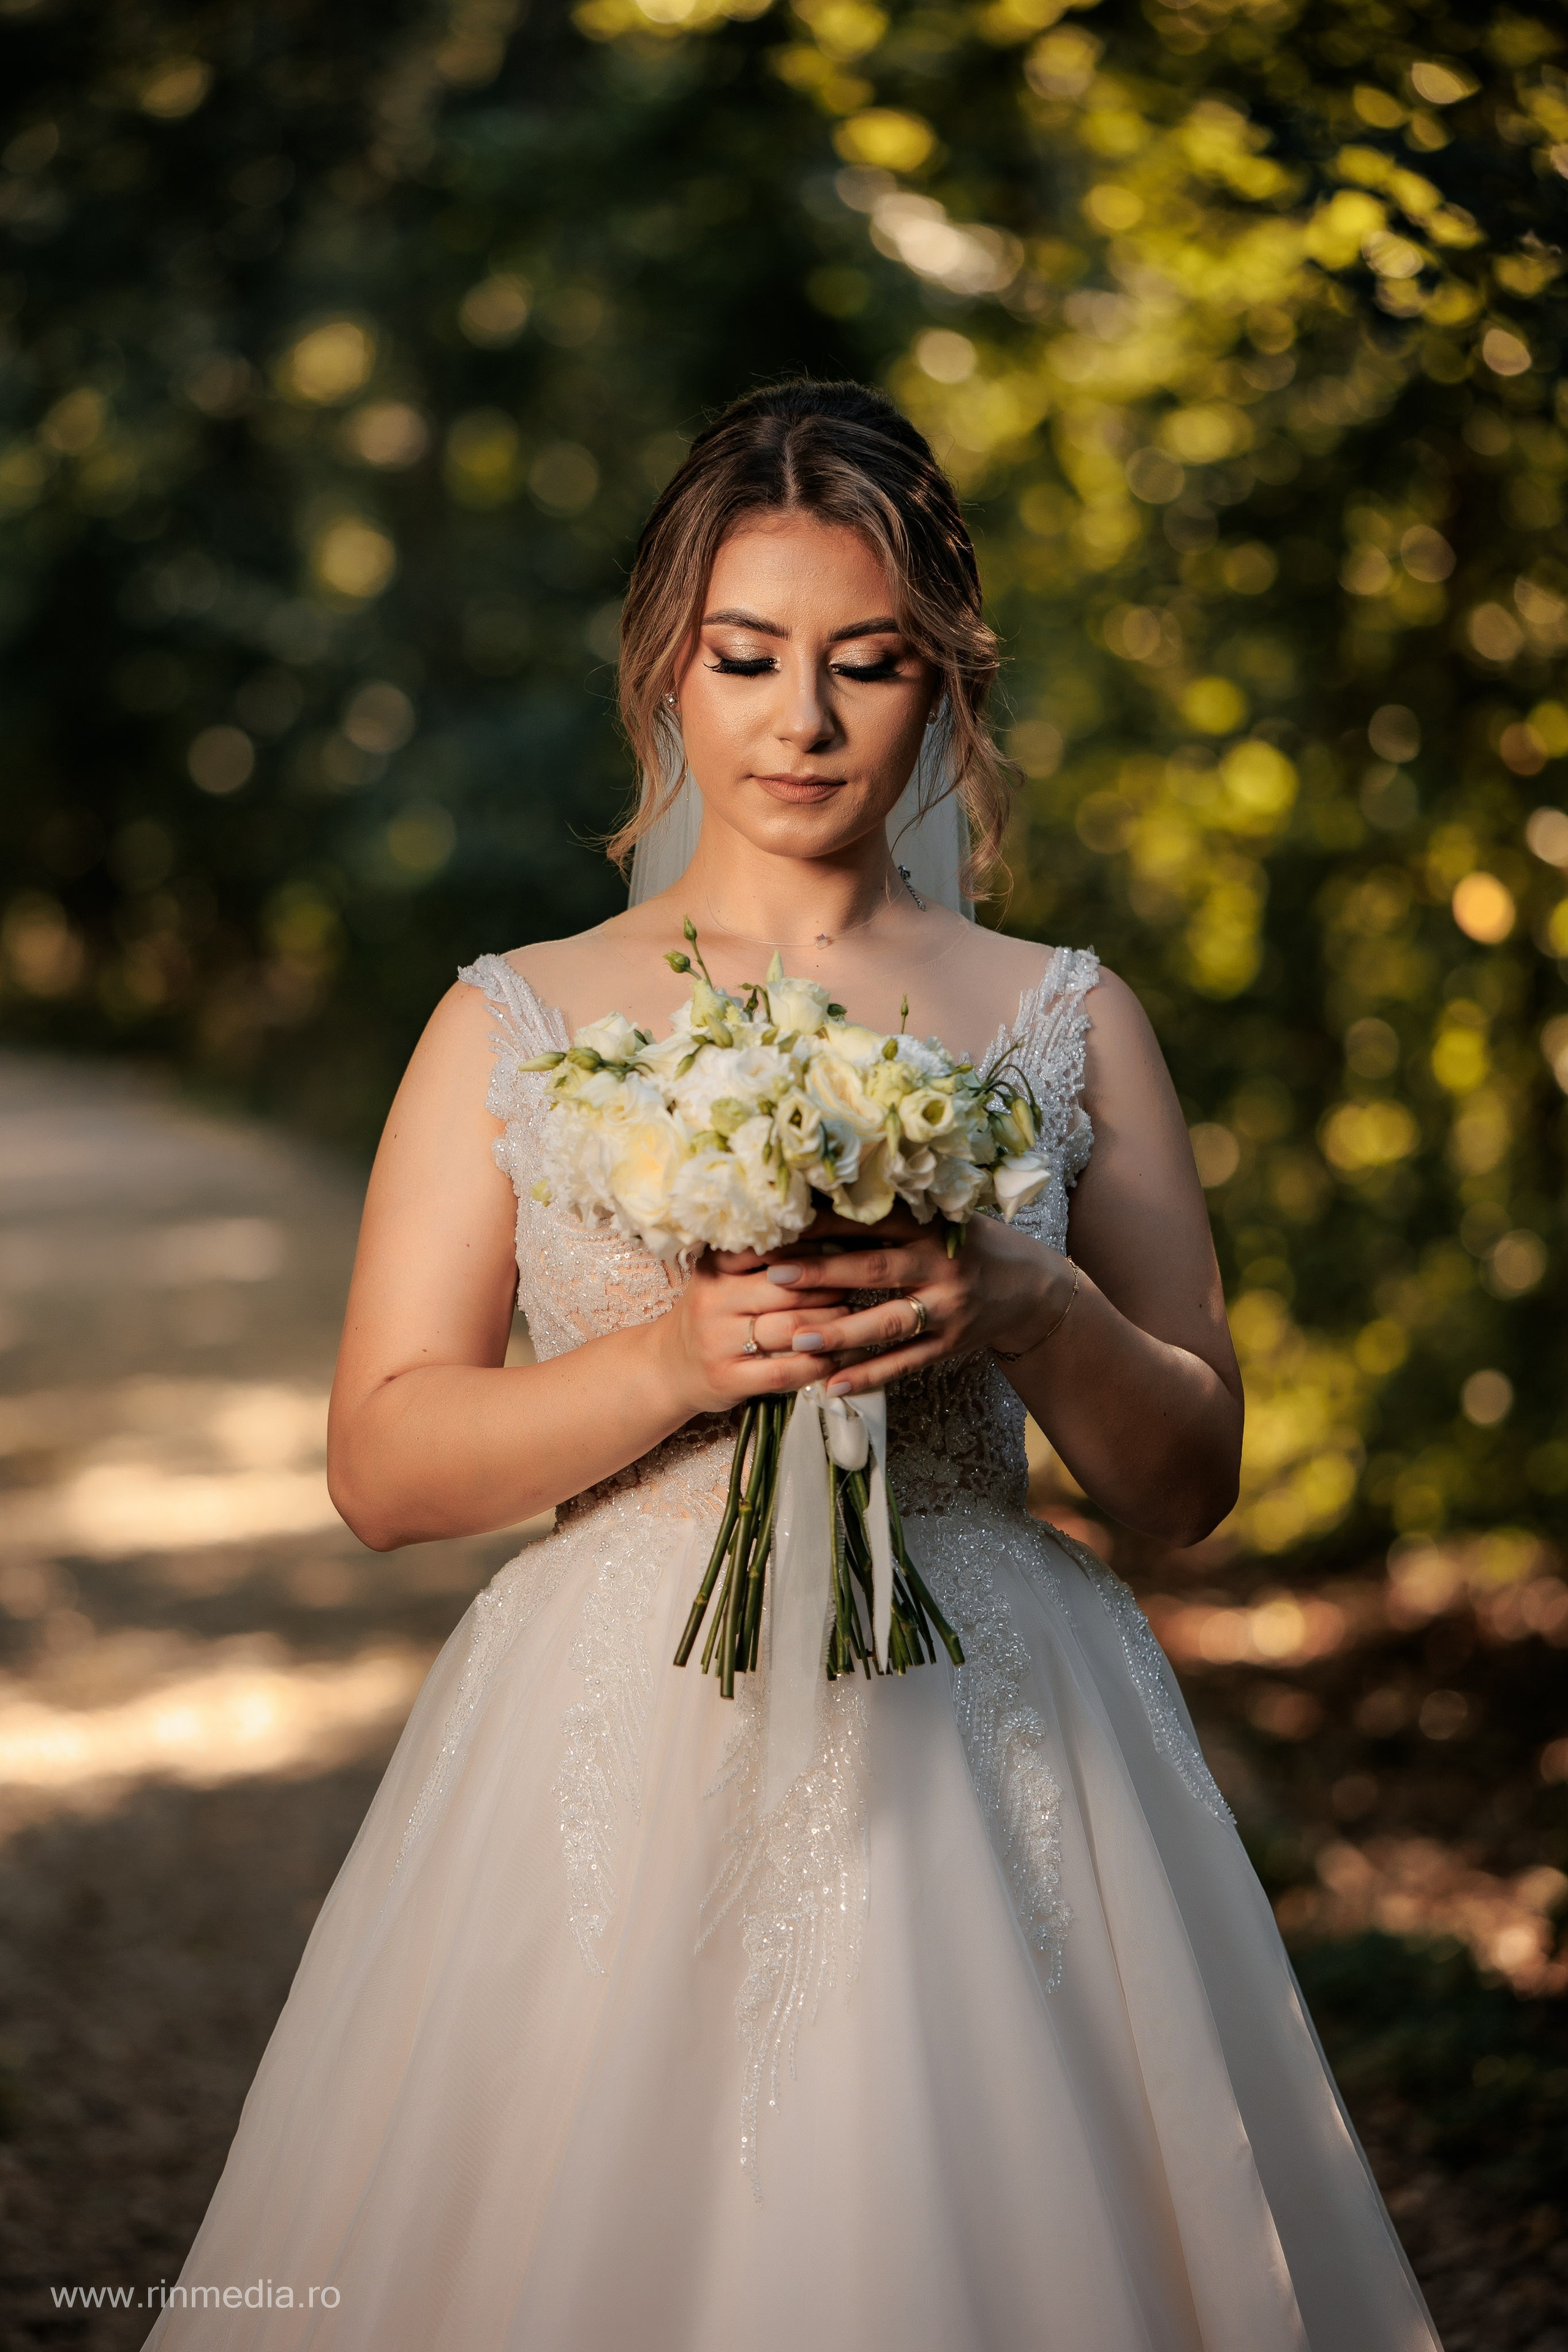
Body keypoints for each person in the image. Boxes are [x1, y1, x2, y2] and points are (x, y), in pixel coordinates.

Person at [141, 380, 1441, 2350]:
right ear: (668, 666)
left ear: (948, 683)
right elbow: (384, 1470)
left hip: (994, 1735)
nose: (803, 721)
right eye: (747, 658)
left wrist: (1030, 1307)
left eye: (871, 663)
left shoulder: (1067, 1019)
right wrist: (678, 1360)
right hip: (612, 1727)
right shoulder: (513, 1020)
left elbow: (1188, 1487)